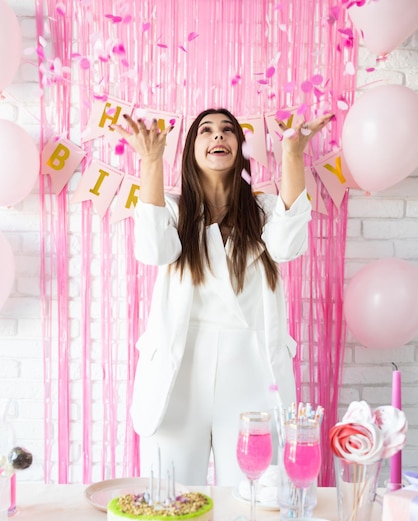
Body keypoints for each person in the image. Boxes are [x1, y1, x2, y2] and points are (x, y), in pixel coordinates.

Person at [113, 108, 333, 486]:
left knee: (256, 496)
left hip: (251, 370)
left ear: (240, 146)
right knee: (170, 496)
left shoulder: (263, 212)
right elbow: (154, 250)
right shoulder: (171, 208)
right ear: (191, 149)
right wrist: (150, 161)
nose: (218, 137)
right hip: (179, 372)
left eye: (228, 130)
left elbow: (288, 245)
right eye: (207, 131)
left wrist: (293, 155)